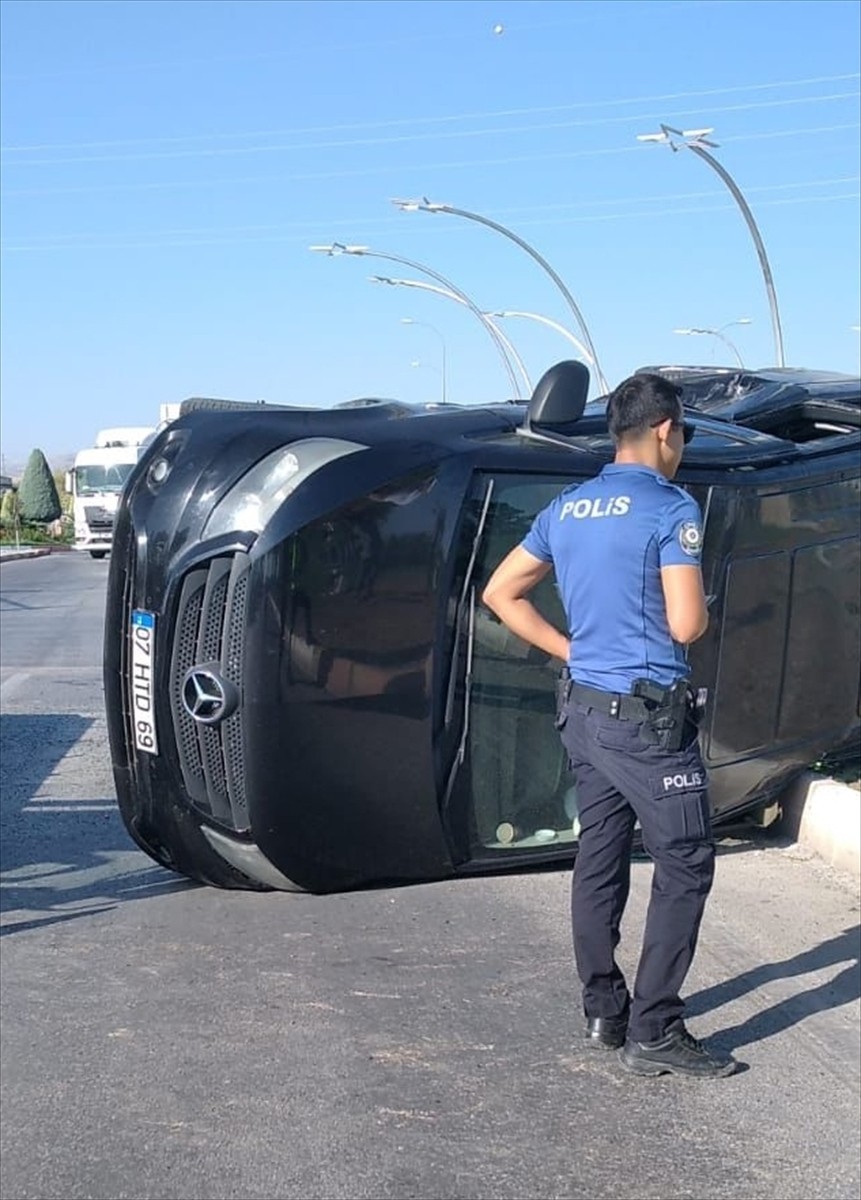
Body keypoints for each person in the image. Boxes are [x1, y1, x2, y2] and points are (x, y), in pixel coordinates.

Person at [481, 372, 736, 1079]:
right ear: (663, 431)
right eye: (680, 433)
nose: (678, 446)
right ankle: (654, 1028)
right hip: (649, 723)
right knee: (684, 863)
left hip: (584, 709)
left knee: (599, 854)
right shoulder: (669, 507)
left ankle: (604, 1010)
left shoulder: (567, 507)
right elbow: (685, 623)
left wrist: (570, 649)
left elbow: (499, 592)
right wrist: (703, 607)